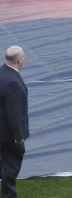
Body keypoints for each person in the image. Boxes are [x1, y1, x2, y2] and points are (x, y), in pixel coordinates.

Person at [0, 45, 29, 198]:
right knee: (10, 170)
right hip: (9, 136)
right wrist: (18, 139)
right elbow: (14, 115)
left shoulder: (2, 73)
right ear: (19, 60)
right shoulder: (13, 83)